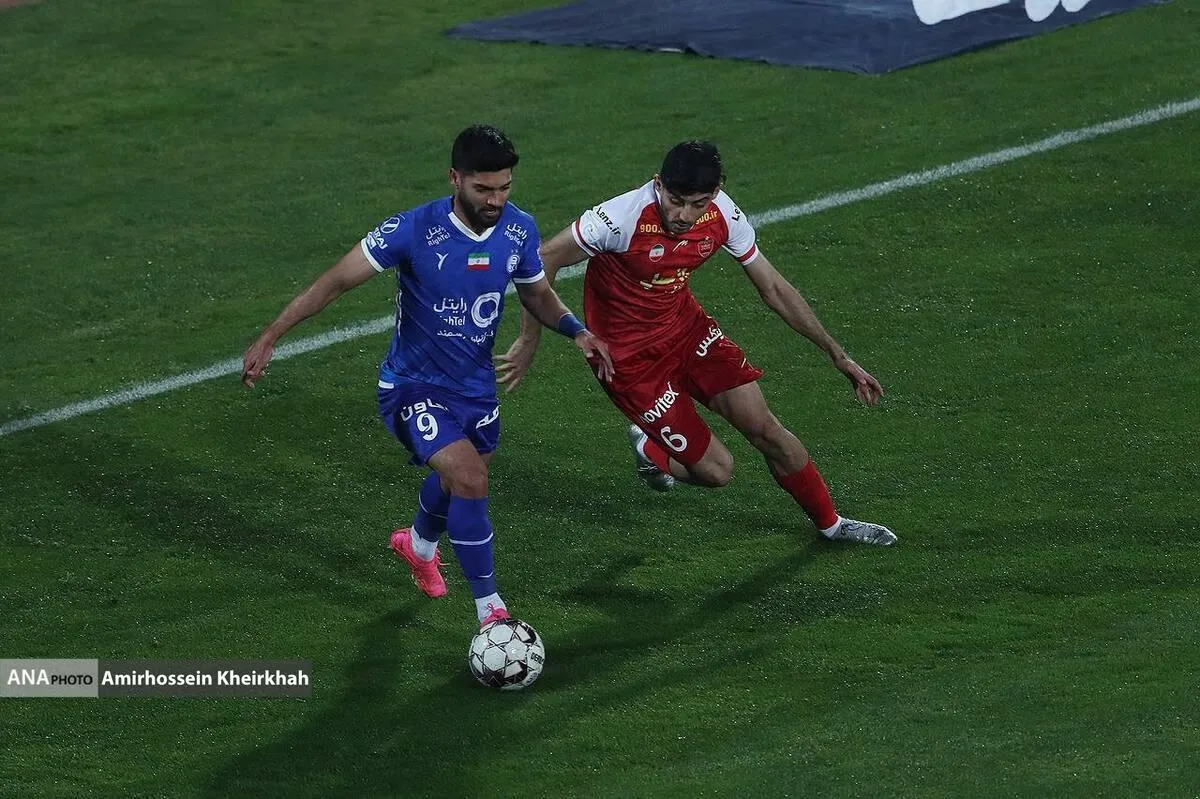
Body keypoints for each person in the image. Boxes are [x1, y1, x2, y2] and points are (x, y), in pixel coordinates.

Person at [242, 124, 614, 629]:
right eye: (483, 189)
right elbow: (335, 282)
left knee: (457, 479)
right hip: (411, 386)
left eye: (504, 187)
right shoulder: (412, 230)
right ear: (454, 178)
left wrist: (577, 331)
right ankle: (491, 614)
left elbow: (536, 293)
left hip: (475, 388)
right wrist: (271, 336)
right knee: (471, 478)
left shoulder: (518, 229)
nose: (495, 200)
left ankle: (418, 546)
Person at [497, 140, 896, 546]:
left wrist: (837, 354)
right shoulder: (620, 218)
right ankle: (652, 450)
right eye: (675, 201)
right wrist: (529, 339)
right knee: (717, 472)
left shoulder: (722, 214)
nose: (684, 216)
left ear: (715, 194)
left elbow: (774, 288)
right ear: (658, 184)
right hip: (630, 363)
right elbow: (544, 257)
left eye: (698, 204)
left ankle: (831, 525)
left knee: (767, 429)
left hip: (688, 332)